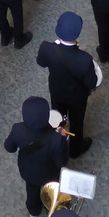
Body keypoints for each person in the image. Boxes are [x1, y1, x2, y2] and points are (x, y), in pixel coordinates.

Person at [36, 12, 97, 157]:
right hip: (77, 96)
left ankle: (58, 144)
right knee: (77, 122)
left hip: (56, 90)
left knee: (58, 117)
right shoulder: (84, 59)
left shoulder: (46, 48)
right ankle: (76, 149)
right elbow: (92, 83)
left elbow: (41, 62)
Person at [4, 95, 70, 217]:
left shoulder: (17, 129)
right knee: (52, 190)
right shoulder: (56, 138)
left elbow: (9, 148)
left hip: (28, 171)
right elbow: (62, 162)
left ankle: (33, 211)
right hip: (50, 174)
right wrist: (63, 139)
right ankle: (51, 206)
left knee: (31, 189)